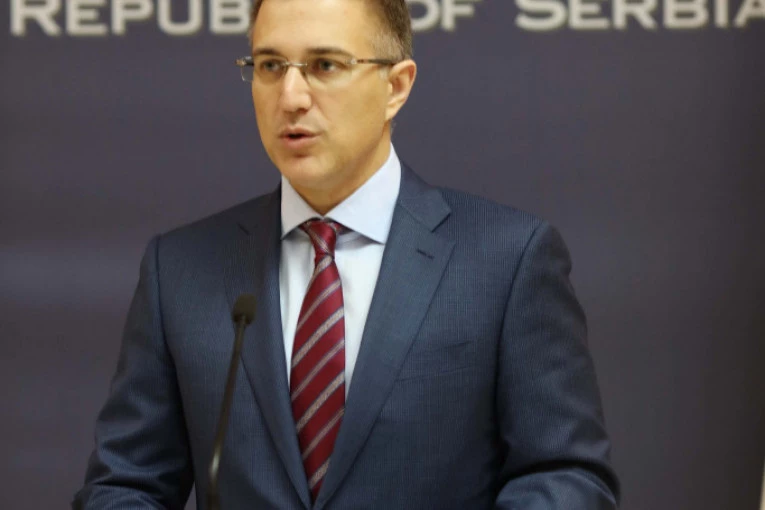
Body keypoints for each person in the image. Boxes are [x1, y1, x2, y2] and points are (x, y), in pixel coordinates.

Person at [73, 0, 620, 508]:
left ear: (396, 86)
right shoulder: (181, 269)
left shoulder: (507, 259)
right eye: (270, 66)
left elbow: (565, 475)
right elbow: (125, 485)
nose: (291, 97)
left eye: (325, 65)